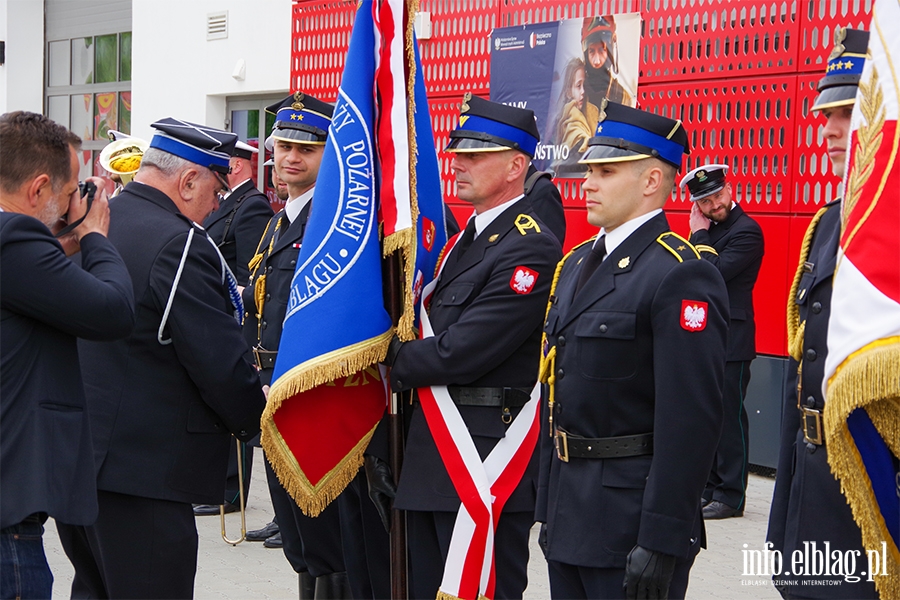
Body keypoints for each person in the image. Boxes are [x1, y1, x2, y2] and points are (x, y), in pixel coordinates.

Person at [56, 117, 267, 599]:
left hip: (82, 463)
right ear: (188, 180)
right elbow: (215, 359)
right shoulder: (180, 243)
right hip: (146, 474)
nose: (217, 203)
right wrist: (256, 414)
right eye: (215, 189)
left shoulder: (96, 223)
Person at [536, 101, 729, 600]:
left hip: (630, 523)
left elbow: (691, 419)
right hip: (569, 514)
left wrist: (663, 537)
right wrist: (545, 507)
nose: (588, 182)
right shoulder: (578, 263)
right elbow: (557, 392)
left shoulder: (679, 272)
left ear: (650, 181)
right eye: (589, 170)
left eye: (605, 171)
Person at [374, 93, 563, 599]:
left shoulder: (531, 245)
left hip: (482, 457)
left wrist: (388, 356)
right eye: (458, 151)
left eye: (476, 154)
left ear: (516, 165)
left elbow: (467, 349)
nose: (457, 163)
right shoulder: (469, 239)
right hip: (432, 452)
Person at [0, 111, 134, 600]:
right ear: (38, 189)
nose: (72, 201)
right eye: (71, 188)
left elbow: (36, 285)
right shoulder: (15, 238)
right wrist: (95, 233)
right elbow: (113, 311)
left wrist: (67, 241)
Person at [766, 27, 878, 599]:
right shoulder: (829, 222)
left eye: (848, 110)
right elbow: (800, 372)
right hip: (815, 485)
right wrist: (783, 510)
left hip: (878, 492)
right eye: (825, 113)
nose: (830, 129)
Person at [242, 93, 350, 599]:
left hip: (311, 401)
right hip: (273, 396)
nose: (290, 157)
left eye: (306, 149)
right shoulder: (275, 222)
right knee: (299, 541)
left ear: (330, 155)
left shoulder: (334, 225)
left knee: (325, 538)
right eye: (284, 145)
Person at [193, 139, 274, 517]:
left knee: (238, 398)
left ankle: (232, 490)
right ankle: (220, 486)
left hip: (238, 318)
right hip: (223, 314)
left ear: (236, 165)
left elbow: (250, 273)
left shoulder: (252, 205)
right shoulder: (228, 203)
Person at [681, 163, 764, 520]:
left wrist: (698, 234)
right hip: (705, 337)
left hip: (733, 338)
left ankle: (732, 495)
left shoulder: (747, 231)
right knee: (708, 416)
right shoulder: (708, 233)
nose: (714, 204)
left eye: (717, 195)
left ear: (729, 189)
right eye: (705, 201)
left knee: (730, 418)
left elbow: (709, 274)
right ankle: (712, 487)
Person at [551, 57, 600, 176]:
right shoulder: (569, 123)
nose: (583, 91)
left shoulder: (593, 113)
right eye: (578, 86)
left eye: (584, 85)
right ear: (568, 92)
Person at [581, 17, 631, 110]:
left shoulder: (622, 97)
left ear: (609, 51)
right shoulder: (577, 92)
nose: (597, 61)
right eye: (591, 51)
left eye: (601, 50)